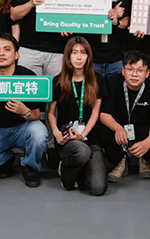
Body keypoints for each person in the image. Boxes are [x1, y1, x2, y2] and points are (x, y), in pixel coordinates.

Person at [0, 35, 50, 187]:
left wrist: (24, 111)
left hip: (23, 128)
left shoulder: (28, 77)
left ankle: (29, 166)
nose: (1, 53)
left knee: (39, 131)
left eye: (7, 49)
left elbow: (36, 116)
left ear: (16, 55)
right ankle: (6, 159)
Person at [91, 53, 150, 185]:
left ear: (147, 73)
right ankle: (120, 161)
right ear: (123, 71)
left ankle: (146, 160)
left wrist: (147, 143)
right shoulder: (114, 82)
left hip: (142, 131)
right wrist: (117, 128)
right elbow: (104, 115)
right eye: (130, 69)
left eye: (140, 70)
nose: (134, 74)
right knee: (104, 132)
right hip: (120, 130)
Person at [48, 37, 106, 195]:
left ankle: (79, 170)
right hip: (66, 139)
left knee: (98, 188)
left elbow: (95, 113)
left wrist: (83, 135)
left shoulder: (97, 79)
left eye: (83, 52)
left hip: (90, 138)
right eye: (74, 52)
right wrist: (56, 133)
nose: (79, 57)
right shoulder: (58, 81)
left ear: (88, 56)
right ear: (68, 56)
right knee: (81, 151)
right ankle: (66, 169)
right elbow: (51, 113)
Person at [74, 0, 132, 77]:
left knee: (116, 88)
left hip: (115, 57)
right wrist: (109, 14)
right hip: (90, 57)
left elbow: (126, 22)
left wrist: (115, 21)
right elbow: (78, 22)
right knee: (92, 89)